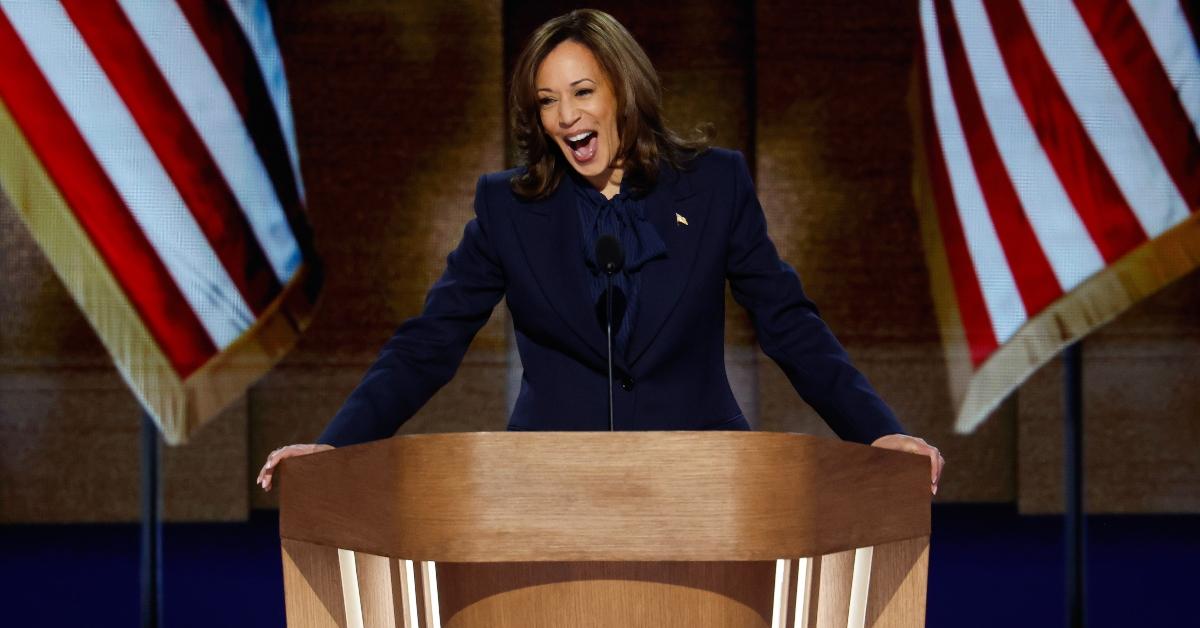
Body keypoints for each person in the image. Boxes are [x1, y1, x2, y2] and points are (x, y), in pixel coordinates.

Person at [259, 9, 943, 493]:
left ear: (624, 90)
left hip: (700, 479)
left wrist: (876, 432)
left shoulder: (713, 185)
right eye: (548, 101)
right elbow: (429, 342)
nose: (567, 116)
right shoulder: (508, 207)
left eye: (583, 92)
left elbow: (790, 323)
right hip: (551, 483)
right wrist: (335, 443)